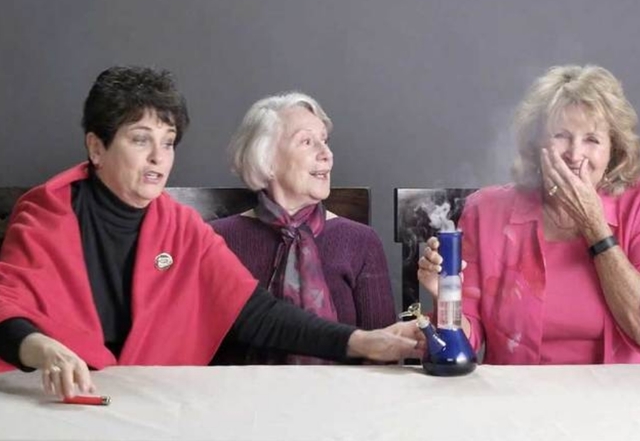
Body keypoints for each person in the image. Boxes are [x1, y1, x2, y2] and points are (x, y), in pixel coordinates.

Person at [0, 66, 424, 399]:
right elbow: (5, 305)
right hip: (63, 399)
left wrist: (361, 341)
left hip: (152, 402)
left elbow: (256, 313)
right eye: (140, 140)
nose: (158, 158)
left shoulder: (182, 227)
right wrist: (38, 346)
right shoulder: (47, 213)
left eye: (168, 142)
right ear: (97, 148)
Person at [418, 64, 640, 364]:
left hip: (617, 394)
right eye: (561, 135)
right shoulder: (485, 211)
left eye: (592, 139)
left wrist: (594, 226)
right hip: (515, 392)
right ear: (536, 146)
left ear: (613, 150)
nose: (575, 155)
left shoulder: (635, 207)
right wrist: (446, 297)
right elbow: (466, 344)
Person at [210, 92, 396, 364]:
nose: (326, 154)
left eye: (325, 141)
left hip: (342, 391)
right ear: (267, 160)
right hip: (243, 390)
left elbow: (385, 355)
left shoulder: (361, 241)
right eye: (307, 142)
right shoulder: (217, 240)